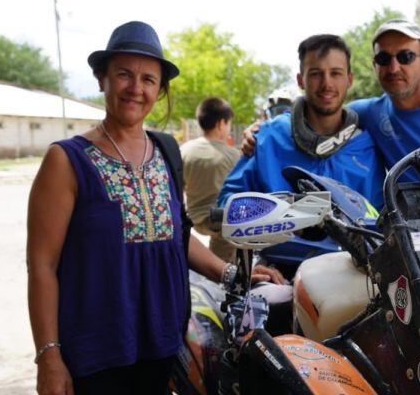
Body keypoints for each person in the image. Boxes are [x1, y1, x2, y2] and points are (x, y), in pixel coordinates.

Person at [26, 21, 282, 395]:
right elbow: (41, 265)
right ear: (102, 80)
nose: (136, 88)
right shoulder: (66, 161)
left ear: (159, 90)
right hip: (94, 353)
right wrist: (48, 356)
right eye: (124, 75)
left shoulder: (165, 152)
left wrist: (234, 275)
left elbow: (175, 234)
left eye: (148, 79)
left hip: (161, 346)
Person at [241, 19, 420, 177]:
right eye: (383, 58)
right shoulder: (369, 112)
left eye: (405, 56)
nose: (394, 67)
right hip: (412, 238)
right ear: (374, 65)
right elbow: (322, 111)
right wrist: (261, 131)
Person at [218, 34, 384, 211]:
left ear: (349, 79)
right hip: (281, 239)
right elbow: (226, 204)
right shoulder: (268, 137)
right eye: (315, 74)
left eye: (335, 73)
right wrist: (274, 216)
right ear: (300, 80)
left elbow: (381, 218)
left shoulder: (366, 147)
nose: (326, 83)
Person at [181, 97, 241, 261]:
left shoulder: (184, 151)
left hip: (192, 218)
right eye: (228, 124)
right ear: (222, 123)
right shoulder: (233, 156)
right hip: (220, 223)